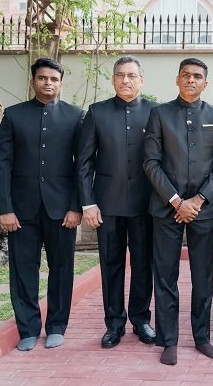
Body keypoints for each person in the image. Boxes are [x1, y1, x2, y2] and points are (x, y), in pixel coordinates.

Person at [143, 58, 213, 365]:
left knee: (202, 275)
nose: (191, 80)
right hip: (166, 209)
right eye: (186, 75)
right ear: (177, 80)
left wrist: (197, 201)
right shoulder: (160, 114)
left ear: (205, 83)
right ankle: (169, 341)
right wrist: (176, 201)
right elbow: (150, 162)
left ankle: (202, 337)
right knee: (165, 275)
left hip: (203, 210)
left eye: (197, 76)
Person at [0, 57, 84, 351]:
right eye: (43, 78)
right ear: (33, 81)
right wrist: (5, 208)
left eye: (54, 79)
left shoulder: (75, 117)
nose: (48, 83)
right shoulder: (13, 116)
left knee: (62, 268)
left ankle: (57, 325)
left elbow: (81, 166)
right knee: (22, 270)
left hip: (62, 210)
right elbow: (2, 165)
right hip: (21, 210)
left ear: (61, 83)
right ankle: (28, 329)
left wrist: (76, 206)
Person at [77, 56, 158, 348]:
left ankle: (141, 319)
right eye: (121, 75)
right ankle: (114, 324)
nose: (126, 80)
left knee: (142, 265)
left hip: (145, 205)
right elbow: (84, 163)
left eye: (132, 75)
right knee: (110, 265)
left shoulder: (155, 112)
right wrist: (88, 203)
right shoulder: (97, 113)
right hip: (106, 205)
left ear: (141, 80)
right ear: (113, 79)